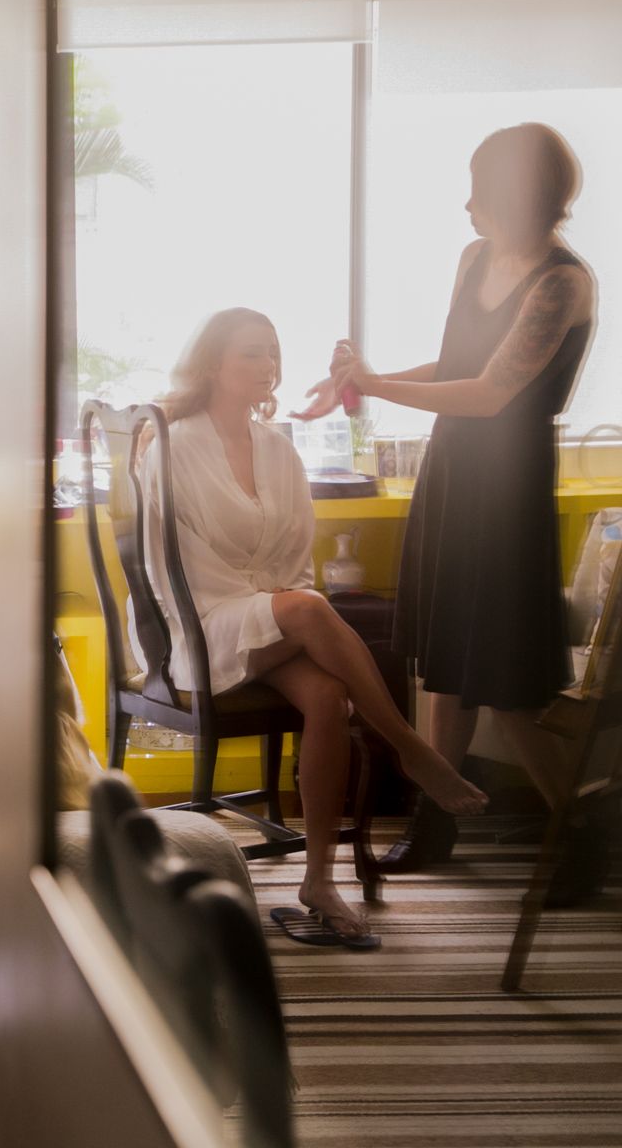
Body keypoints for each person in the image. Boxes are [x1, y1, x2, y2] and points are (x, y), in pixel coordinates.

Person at [298, 124, 596, 875]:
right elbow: (459, 363)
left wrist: (369, 384)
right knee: (444, 669)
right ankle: (436, 824)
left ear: (516, 195)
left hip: (507, 485)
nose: (467, 205)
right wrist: (366, 376)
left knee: (509, 687)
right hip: (453, 469)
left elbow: (493, 392)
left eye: (480, 190)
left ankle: (580, 837)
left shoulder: (564, 281)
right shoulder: (474, 259)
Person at [143, 308, 488, 945]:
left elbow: (296, 553)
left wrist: (278, 601)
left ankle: (319, 879)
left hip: (271, 616)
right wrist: (276, 604)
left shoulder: (277, 448)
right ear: (214, 363)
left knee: (328, 693)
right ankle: (410, 749)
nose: (268, 365)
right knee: (308, 609)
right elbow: (170, 562)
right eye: (251, 353)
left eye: (272, 352)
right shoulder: (173, 441)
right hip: (204, 625)